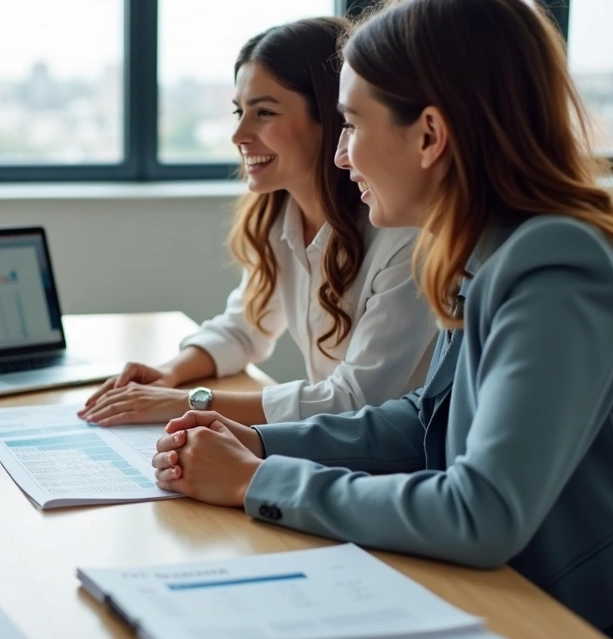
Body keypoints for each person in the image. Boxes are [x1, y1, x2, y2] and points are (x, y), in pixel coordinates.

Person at [150, 0, 613, 635]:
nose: (342, 157)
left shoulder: (557, 265)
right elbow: (427, 421)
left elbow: (480, 514)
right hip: (491, 587)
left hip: (564, 614)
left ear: (430, 135)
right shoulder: (482, 249)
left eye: (350, 125)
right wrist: (261, 443)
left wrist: (257, 481)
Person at [80, 17, 436, 428]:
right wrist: (170, 374)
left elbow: (354, 400)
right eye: (239, 112)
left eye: (264, 112)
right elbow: (244, 327)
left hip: (392, 462)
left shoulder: (404, 237)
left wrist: (187, 402)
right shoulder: (281, 216)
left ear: (333, 118)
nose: (239, 135)